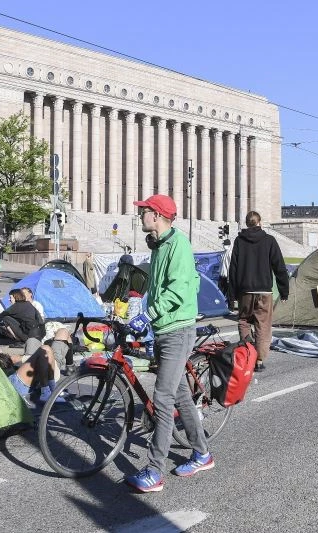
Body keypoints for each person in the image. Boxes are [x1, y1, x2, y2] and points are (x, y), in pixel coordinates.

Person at [124, 194, 210, 493]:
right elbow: (157, 289)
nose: (140, 215)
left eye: (144, 211)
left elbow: (178, 290)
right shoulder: (160, 246)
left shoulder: (178, 246)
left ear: (157, 216)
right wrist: (138, 311)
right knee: (182, 396)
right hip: (164, 330)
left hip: (177, 331)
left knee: (162, 399)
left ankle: (154, 471)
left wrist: (148, 314)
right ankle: (202, 453)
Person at [229, 211, 289, 372]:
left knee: (244, 321)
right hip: (264, 291)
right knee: (263, 325)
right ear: (260, 222)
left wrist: (232, 295)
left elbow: (233, 269)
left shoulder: (239, 241)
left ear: (247, 223)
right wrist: (284, 291)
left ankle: (247, 355)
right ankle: (259, 360)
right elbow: (279, 267)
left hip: (245, 291)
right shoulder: (269, 240)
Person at [217, 238, 233, 306]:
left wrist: (230, 276)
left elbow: (230, 266)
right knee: (220, 292)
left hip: (228, 276)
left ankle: (230, 307)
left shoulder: (230, 253)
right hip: (222, 276)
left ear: (229, 245)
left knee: (229, 293)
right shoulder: (224, 253)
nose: (224, 246)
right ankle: (221, 305)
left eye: (225, 245)